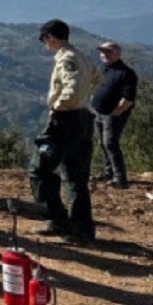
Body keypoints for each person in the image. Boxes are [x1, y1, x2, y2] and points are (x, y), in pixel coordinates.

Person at [30, 19, 102, 244]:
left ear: (50, 37)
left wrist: (58, 107)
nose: (45, 44)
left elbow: (71, 90)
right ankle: (82, 229)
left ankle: (58, 219)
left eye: (44, 39)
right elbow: (96, 78)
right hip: (84, 119)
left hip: (66, 121)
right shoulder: (81, 55)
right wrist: (83, 99)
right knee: (75, 177)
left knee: (39, 170)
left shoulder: (67, 58)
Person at [91, 41, 138, 189]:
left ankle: (120, 178)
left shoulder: (127, 73)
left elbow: (128, 98)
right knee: (103, 144)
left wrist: (116, 112)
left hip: (112, 115)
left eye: (108, 52)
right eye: (102, 52)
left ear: (118, 53)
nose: (104, 54)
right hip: (98, 113)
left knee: (111, 144)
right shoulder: (104, 68)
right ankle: (108, 172)